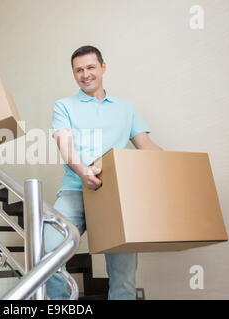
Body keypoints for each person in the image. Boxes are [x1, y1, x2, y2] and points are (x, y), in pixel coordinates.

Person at [46, 45, 163, 299]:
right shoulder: (63, 106)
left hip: (116, 197)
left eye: (90, 67)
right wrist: (83, 171)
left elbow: (147, 146)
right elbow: (64, 145)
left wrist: (175, 171)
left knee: (124, 276)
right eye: (79, 70)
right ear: (74, 74)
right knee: (47, 253)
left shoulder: (126, 108)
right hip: (74, 190)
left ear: (103, 68)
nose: (85, 74)